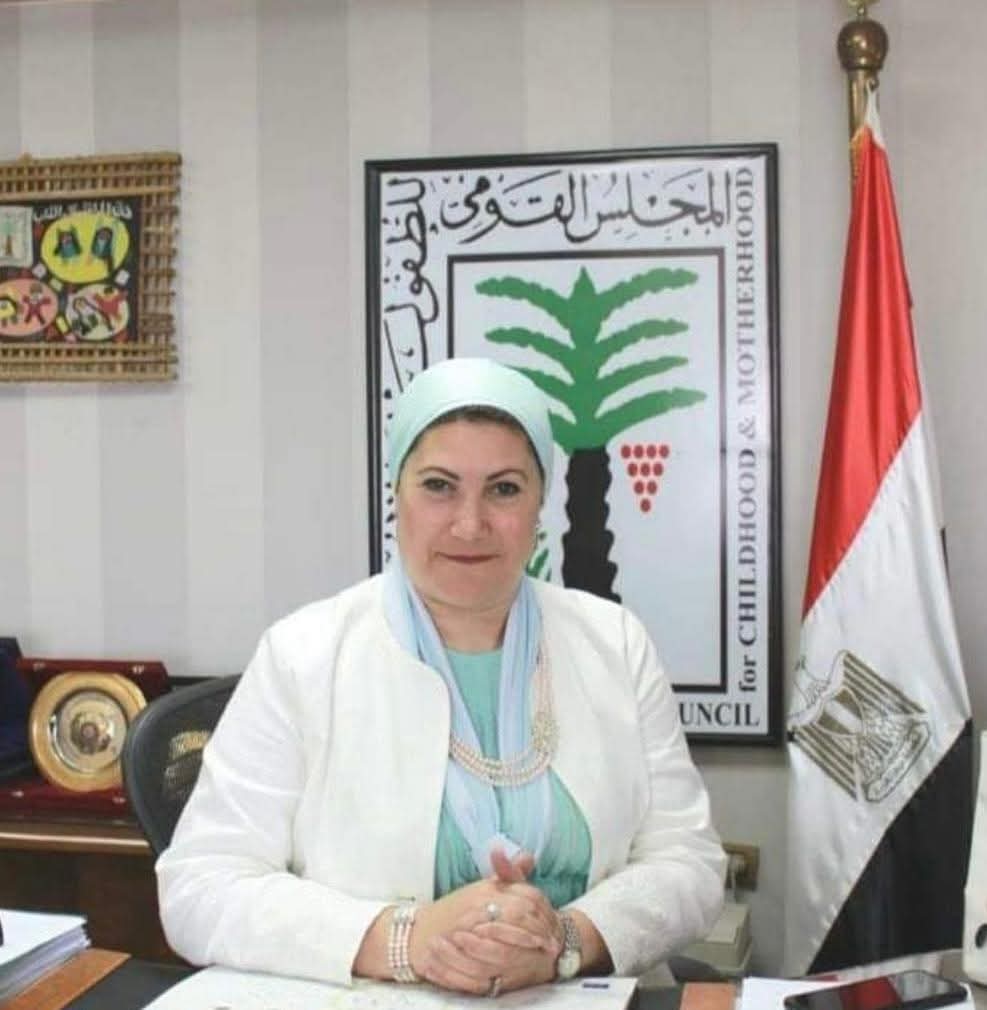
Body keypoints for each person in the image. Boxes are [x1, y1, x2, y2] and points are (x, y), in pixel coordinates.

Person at [156, 357, 725, 996]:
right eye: (438, 486)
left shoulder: (615, 642)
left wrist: (566, 941)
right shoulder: (303, 654)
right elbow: (200, 885)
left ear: (540, 503)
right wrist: (407, 939)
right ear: (396, 494)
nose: (470, 523)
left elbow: (689, 861)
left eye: (504, 489)